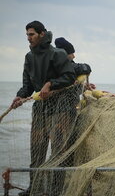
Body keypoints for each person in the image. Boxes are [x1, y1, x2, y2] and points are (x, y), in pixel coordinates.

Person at [11, 21, 76, 196]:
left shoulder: (58, 54)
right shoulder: (29, 57)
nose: (28, 38)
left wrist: (50, 84)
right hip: (40, 109)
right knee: (37, 151)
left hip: (61, 109)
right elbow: (27, 86)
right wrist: (20, 96)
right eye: (27, 35)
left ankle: (56, 191)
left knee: (58, 153)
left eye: (31, 34)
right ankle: (35, 188)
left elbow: (70, 76)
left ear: (42, 34)